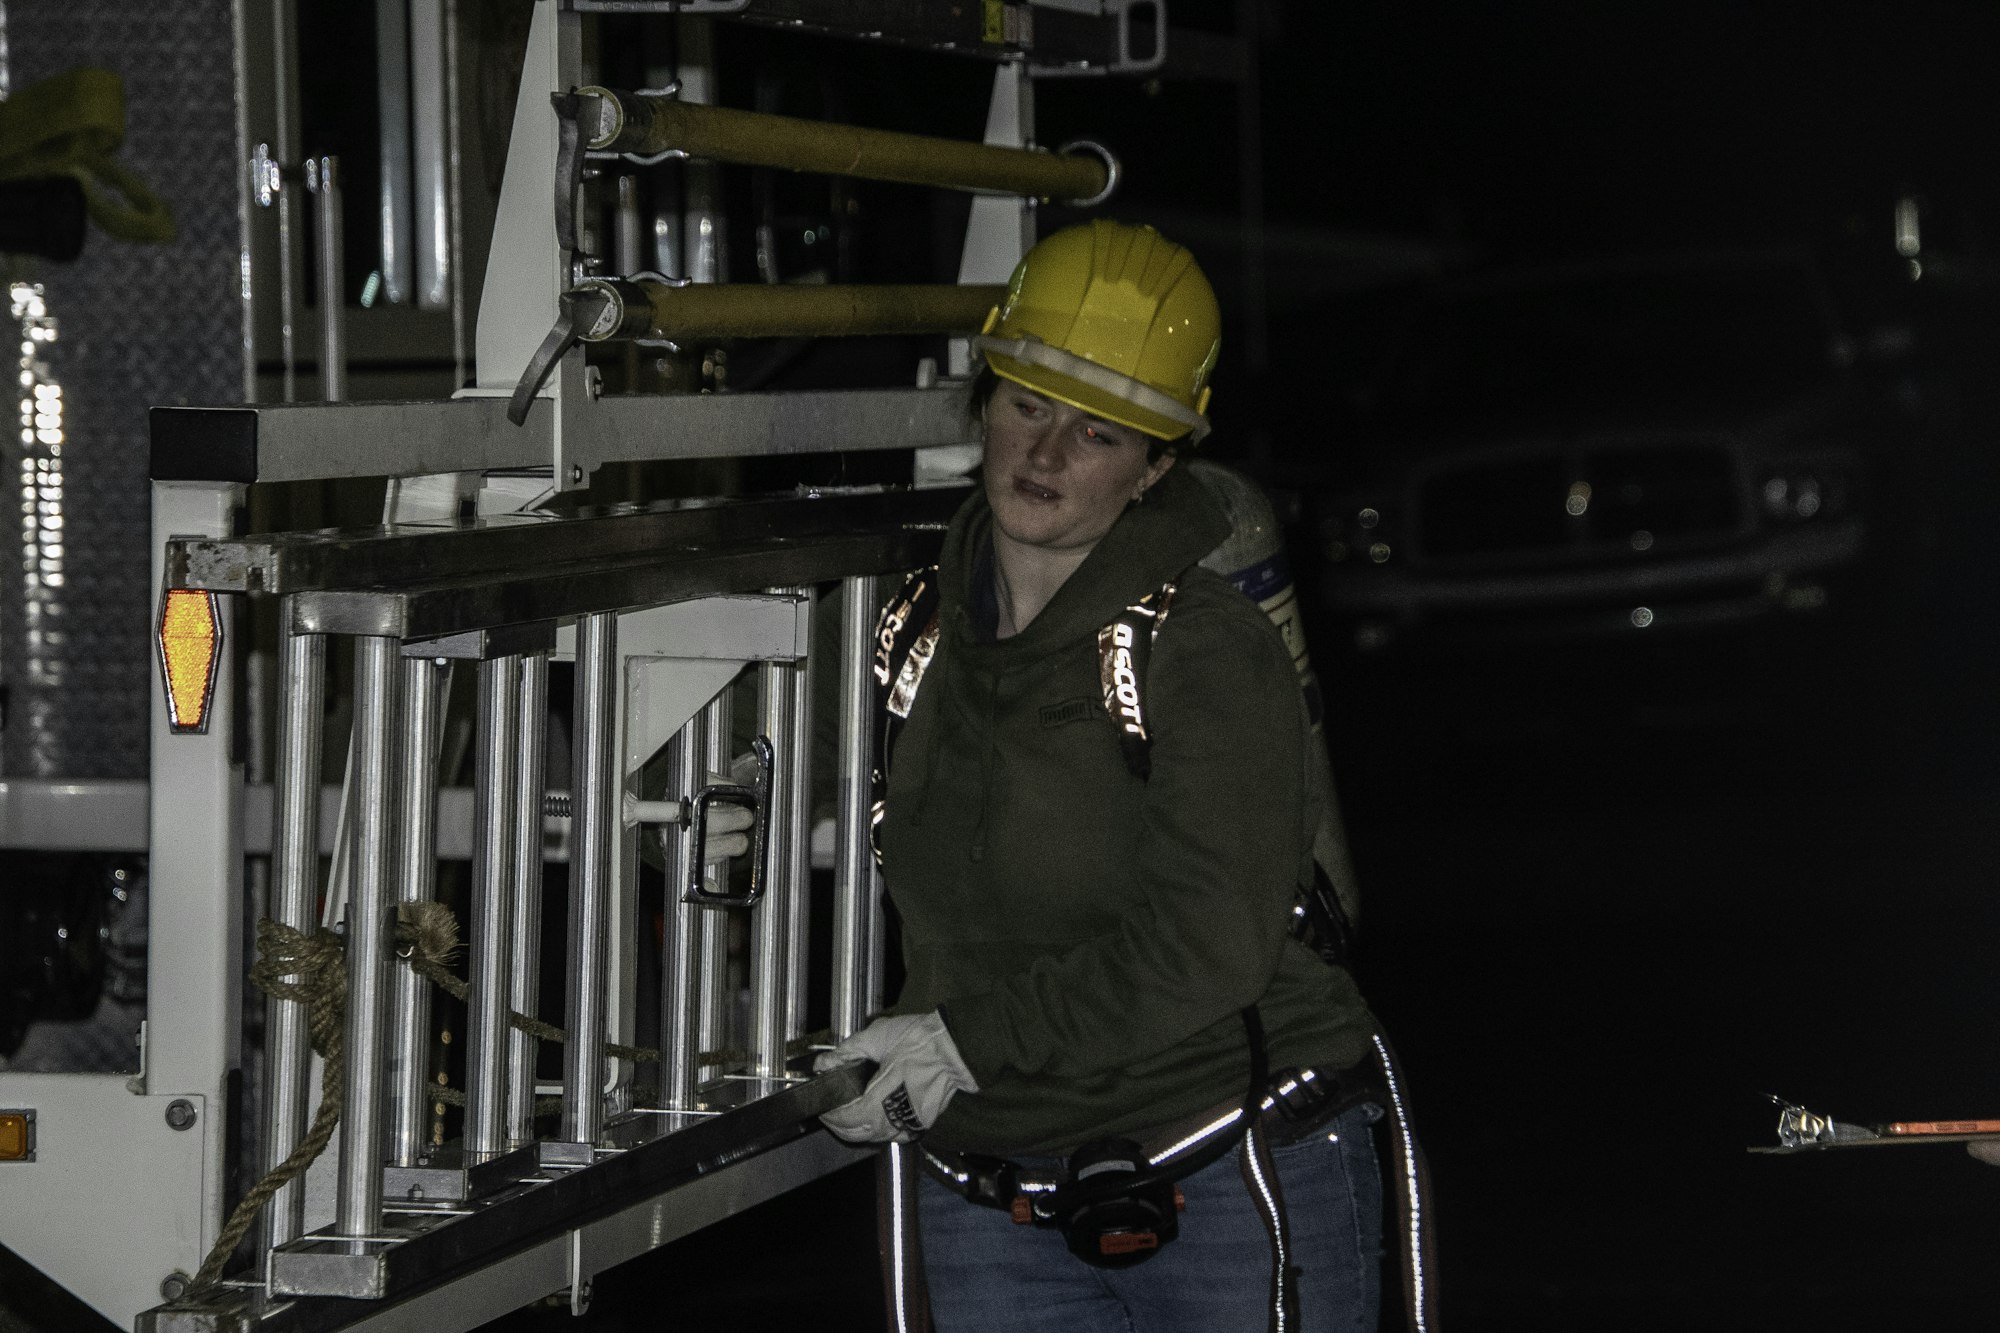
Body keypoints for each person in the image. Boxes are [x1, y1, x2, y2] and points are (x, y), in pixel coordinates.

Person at [818, 219, 1385, 1332]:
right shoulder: (907, 632)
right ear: (983, 401)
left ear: (1156, 465)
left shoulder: (1203, 649)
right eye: (1027, 405)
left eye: (1098, 433)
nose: (1046, 455)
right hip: (991, 1184)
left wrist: (960, 1040)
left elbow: (1208, 939)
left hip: (1225, 1165)